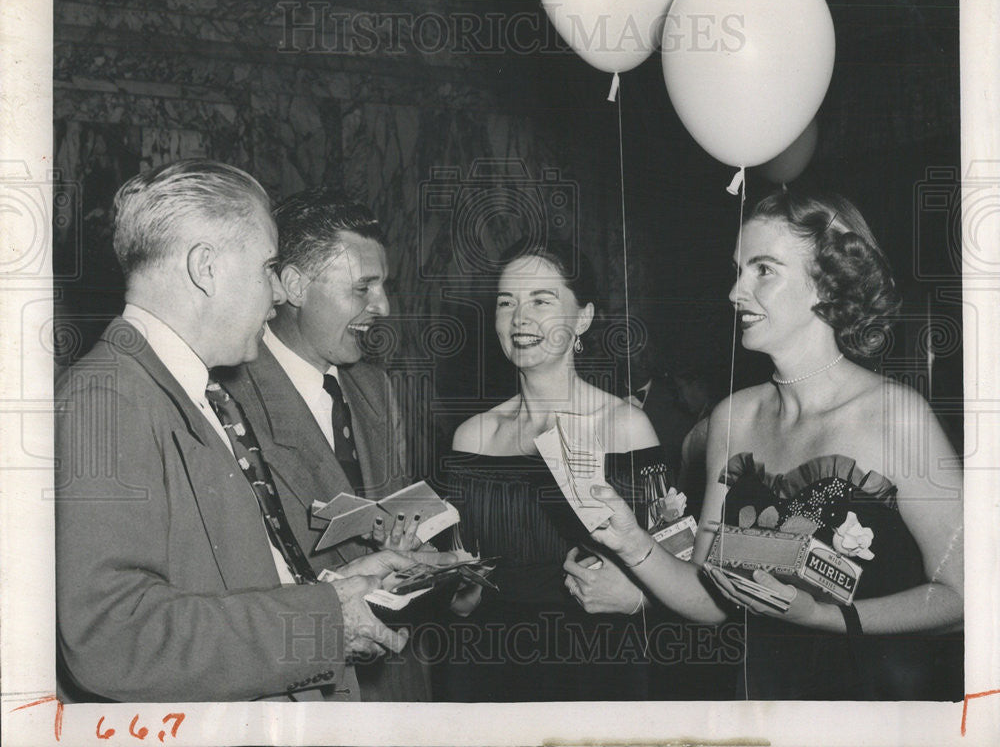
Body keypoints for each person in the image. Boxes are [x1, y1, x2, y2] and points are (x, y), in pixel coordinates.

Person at [55, 160, 444, 702]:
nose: (278, 295)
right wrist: (326, 625)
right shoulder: (108, 395)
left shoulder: (189, 389)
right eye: (267, 269)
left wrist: (341, 588)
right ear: (206, 268)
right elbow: (114, 638)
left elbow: (223, 582)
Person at [565, 191, 964, 700]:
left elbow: (966, 598)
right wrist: (631, 543)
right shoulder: (733, 417)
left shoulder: (895, 416)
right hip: (763, 704)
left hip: (875, 706)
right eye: (738, 269)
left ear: (827, 281)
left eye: (763, 270)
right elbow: (711, 598)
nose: (735, 292)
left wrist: (825, 617)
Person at [217, 187, 440, 701]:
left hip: (395, 679)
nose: (382, 306)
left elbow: (402, 515)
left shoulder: (374, 387)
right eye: (363, 288)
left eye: (384, 287)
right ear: (294, 285)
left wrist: (436, 561)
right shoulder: (227, 399)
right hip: (307, 689)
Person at [438, 239, 663, 701]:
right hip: (486, 666)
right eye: (507, 302)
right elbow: (463, 594)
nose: (520, 318)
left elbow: (675, 568)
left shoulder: (625, 425)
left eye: (542, 300)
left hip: (596, 663)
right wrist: (444, 586)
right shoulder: (472, 436)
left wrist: (640, 600)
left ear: (582, 317)